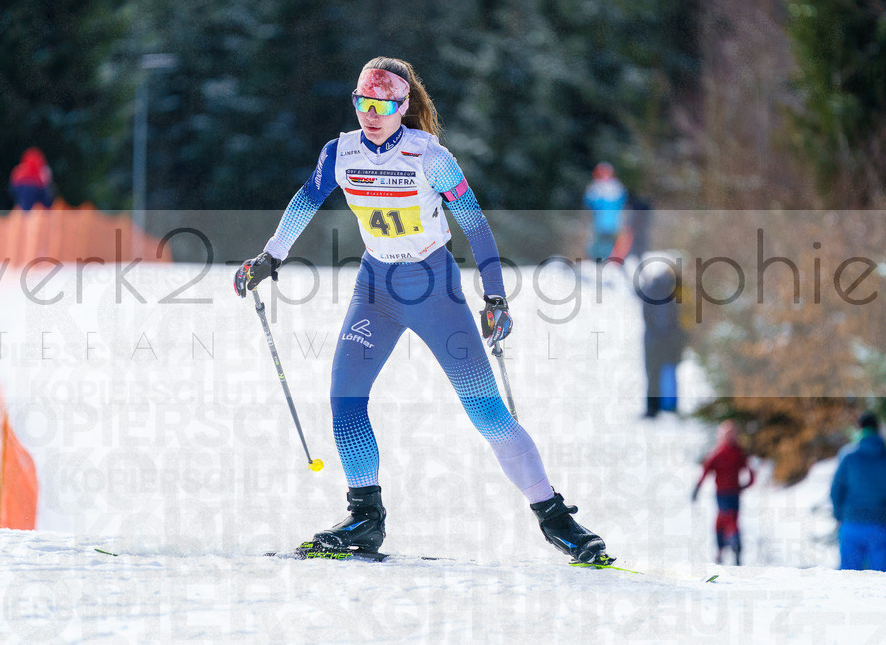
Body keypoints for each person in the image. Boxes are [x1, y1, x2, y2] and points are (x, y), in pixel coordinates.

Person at [234, 57, 611, 565]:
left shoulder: (429, 156)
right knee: (345, 398)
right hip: (376, 290)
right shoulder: (340, 152)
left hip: (434, 290)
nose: (371, 114)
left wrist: (495, 297)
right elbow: (306, 199)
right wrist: (270, 257)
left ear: (402, 106)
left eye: (382, 105)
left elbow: (474, 225)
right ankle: (365, 517)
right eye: (362, 103)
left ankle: (556, 519)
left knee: (486, 412)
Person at [829, 411, 886, 571]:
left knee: (848, 578)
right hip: (881, 525)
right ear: (878, 428)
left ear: (859, 428)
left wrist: (839, 515)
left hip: (851, 523)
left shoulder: (848, 457)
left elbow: (836, 491)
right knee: (881, 580)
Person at [692, 420, 755, 565]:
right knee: (730, 520)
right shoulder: (739, 452)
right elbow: (751, 474)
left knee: (723, 520)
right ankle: (733, 547)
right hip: (733, 493)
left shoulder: (718, 453)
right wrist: (745, 486)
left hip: (722, 494)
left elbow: (705, 472)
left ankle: (728, 549)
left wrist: (697, 488)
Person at [639, 259, 686, 417]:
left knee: (656, 373)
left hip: (656, 338)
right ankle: (659, 407)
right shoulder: (665, 287)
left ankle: (657, 408)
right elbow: (662, 316)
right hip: (660, 338)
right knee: (660, 372)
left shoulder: (657, 286)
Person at [583, 162, 649, 265]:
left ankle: (608, 262)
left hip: (613, 222)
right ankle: (599, 262)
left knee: (611, 244)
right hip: (600, 223)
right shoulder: (596, 188)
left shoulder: (614, 187)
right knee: (599, 244)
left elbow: (621, 203)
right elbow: (589, 203)